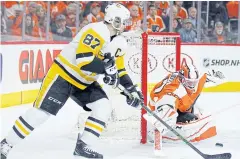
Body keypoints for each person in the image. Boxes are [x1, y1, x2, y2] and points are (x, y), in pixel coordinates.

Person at [1, 3, 143, 159]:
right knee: (40, 114)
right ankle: (6, 144)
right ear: (114, 20)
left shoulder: (119, 42)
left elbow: (119, 70)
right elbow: (83, 60)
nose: (126, 24)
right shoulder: (97, 30)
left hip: (85, 82)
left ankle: (84, 146)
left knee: (103, 107)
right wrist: (106, 70)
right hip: (64, 75)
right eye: (123, 20)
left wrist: (131, 89)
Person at [144, 63, 226, 151]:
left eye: (194, 82)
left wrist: (218, 76)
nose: (192, 85)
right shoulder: (172, 90)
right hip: (161, 117)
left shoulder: (196, 79)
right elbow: (163, 107)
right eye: (189, 82)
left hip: (180, 110)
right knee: (205, 124)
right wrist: (161, 121)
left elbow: (218, 79)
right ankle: (167, 136)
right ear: (181, 79)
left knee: (209, 124)